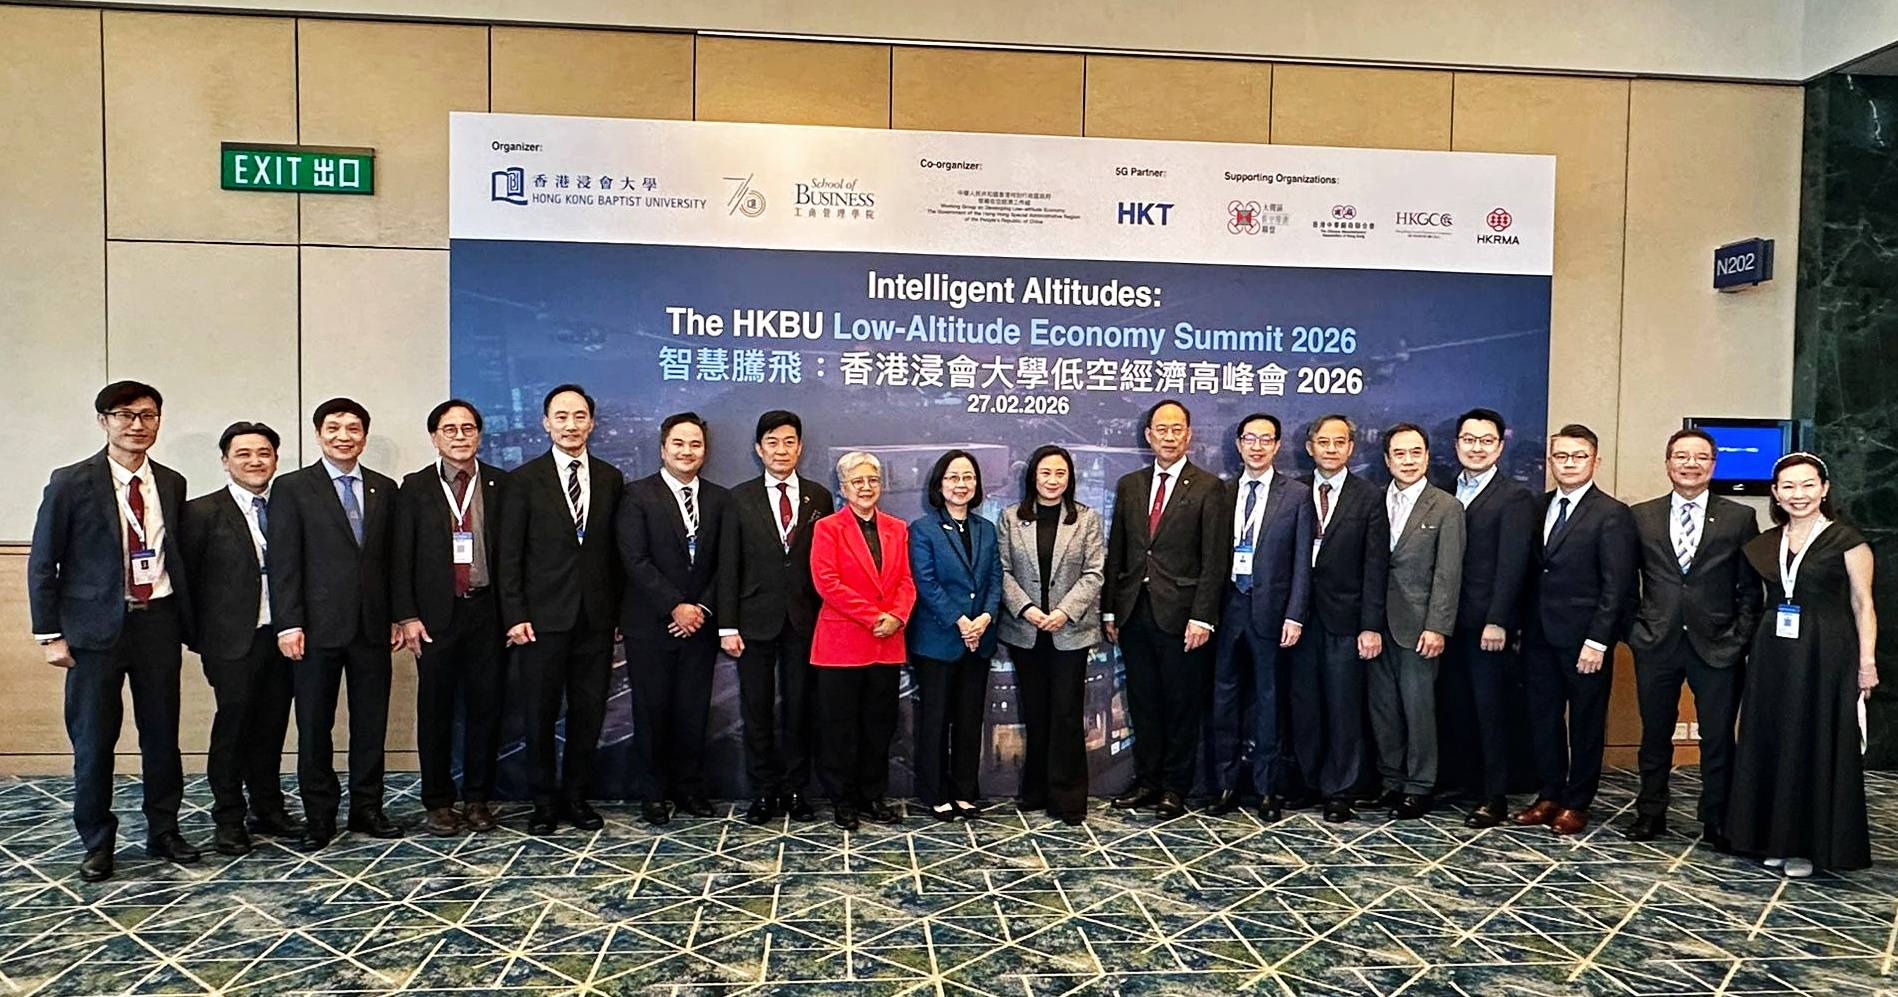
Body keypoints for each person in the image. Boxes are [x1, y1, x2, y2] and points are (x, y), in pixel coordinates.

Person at [28, 381, 198, 882]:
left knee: (162, 736)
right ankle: (97, 841)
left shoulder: (172, 483)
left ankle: (164, 830)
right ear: (103, 421)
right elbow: (43, 562)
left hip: (157, 624)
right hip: (93, 631)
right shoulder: (70, 482)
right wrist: (49, 634)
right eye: (124, 414)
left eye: (147, 415)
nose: (136, 425)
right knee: (94, 741)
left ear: (158, 421)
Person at [1729, 453, 1876, 876]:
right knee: (1773, 739)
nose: (1799, 494)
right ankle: (1772, 838)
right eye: (1788, 486)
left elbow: (1863, 604)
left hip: (1826, 653)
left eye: (1808, 485)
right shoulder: (1765, 543)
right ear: (1775, 493)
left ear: (1824, 489)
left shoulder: (1847, 540)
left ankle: (1808, 847)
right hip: (1773, 654)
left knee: (1813, 741)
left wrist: (1867, 662)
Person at [269, 397, 402, 850]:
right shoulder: (292, 488)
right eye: (334, 428)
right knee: (314, 726)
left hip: (372, 628)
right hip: (314, 630)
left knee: (371, 724)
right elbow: (283, 561)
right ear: (318, 434)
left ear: (364, 435)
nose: (344, 436)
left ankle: (368, 808)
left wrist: (396, 615)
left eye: (353, 428)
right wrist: (288, 623)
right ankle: (320, 816)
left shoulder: (384, 488)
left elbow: (392, 561)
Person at [1625, 428, 1761, 850]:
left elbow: (1749, 588)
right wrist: (1634, 629)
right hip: (1656, 642)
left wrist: (1739, 637)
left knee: (1718, 738)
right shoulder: (1641, 515)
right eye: (1681, 456)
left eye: (1701, 457)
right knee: (1654, 735)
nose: (1690, 464)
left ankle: (1717, 818)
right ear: (1668, 463)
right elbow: (1625, 580)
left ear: (1713, 465)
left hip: (1717, 645)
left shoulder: (1739, 517)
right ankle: (1650, 813)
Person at [498, 384, 624, 835]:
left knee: (589, 713)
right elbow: (509, 555)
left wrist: (616, 615)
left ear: (592, 423)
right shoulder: (523, 480)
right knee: (540, 714)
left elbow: (615, 554)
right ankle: (543, 802)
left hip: (595, 619)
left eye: (579, 416)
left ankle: (576, 797)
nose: (571, 425)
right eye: (561, 417)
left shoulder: (610, 478)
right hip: (540, 620)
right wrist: (515, 614)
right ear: (546, 423)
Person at [181, 421, 301, 857]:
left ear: (276, 459)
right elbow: (186, 580)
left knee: (272, 725)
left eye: (264, 453)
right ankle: (228, 817)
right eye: (244, 454)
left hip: (283, 635)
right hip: (230, 641)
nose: (255, 461)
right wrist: (199, 639)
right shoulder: (201, 512)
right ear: (225, 461)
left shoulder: (289, 506)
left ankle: (267, 807)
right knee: (233, 728)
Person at [1103, 400, 1227, 819]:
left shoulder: (1209, 487)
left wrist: (1203, 616)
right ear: (1149, 436)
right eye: (1161, 430)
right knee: (1142, 702)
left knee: (1181, 705)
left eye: (1177, 430)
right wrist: (1110, 610)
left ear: (1188, 435)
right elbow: (1118, 550)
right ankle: (1147, 781)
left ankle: (1175, 786)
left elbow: (1215, 559)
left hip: (1183, 615)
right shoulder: (1131, 485)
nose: (1169, 437)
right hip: (1134, 612)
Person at [392, 400, 507, 837]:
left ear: (479, 434)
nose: (460, 436)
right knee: (436, 710)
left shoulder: (501, 484)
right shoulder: (415, 487)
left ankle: (478, 798)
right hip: (435, 616)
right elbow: (400, 556)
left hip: (488, 611)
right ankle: (438, 801)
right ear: (434, 437)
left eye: (468, 428)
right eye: (450, 429)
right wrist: (407, 615)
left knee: (486, 708)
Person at [1516, 423, 1637, 836]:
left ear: (1595, 461)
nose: (1569, 464)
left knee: (1585, 722)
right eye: (1561, 456)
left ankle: (1577, 802)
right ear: (1550, 461)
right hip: (1538, 635)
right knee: (1543, 718)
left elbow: (1617, 585)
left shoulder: (1612, 513)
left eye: (1579, 456)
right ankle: (1549, 794)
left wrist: (1598, 640)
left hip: (1585, 639)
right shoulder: (1537, 506)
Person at [718, 410, 834, 825]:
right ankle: (764, 791)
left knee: (800, 709)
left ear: (800, 448)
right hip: (754, 620)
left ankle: (797, 789)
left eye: (788, 442)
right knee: (757, 710)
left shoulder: (819, 497)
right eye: (772, 442)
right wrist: (727, 625)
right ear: (758, 449)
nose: (780, 450)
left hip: (805, 620)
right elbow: (727, 565)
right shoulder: (738, 498)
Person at [619, 412, 728, 826]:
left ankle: (689, 789)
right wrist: (675, 606)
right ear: (663, 448)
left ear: (705, 451)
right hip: (651, 625)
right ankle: (653, 793)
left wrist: (701, 609)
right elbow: (635, 559)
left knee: (693, 711)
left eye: (695, 444)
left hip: (700, 625)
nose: (687, 451)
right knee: (651, 711)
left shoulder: (719, 499)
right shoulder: (636, 495)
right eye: (678, 444)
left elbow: (725, 563)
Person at [1207, 414, 1313, 821]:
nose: (1257, 446)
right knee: (1224, 699)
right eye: (1249, 438)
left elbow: (1302, 562)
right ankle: (1226, 785)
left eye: (1265, 439)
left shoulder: (1297, 495)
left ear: (1277, 445)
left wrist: (1295, 615)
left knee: (1269, 702)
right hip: (1226, 609)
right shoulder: (1222, 491)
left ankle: (1267, 789)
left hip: (1272, 612)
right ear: (1238, 443)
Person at [1436, 408, 1537, 828]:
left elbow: (1513, 564)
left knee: (1490, 708)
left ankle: (1495, 795)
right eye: (1469, 439)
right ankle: (1465, 782)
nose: (1476, 448)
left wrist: (1499, 620)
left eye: (1486, 441)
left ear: (1499, 446)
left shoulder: (1513, 497)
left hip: (1485, 625)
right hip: (1444, 622)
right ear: (1456, 443)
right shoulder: (1442, 490)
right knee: (1454, 704)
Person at [997, 446, 1105, 826]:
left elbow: (1094, 572)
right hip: (1026, 630)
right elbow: (1002, 571)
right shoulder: (1011, 518)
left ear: (1070, 478)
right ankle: (1036, 791)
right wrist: (1027, 608)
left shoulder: (1086, 519)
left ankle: (1069, 798)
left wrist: (1064, 612)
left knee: (1066, 713)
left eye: (1060, 473)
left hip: (1070, 630)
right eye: (1046, 473)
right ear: (1033, 476)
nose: (1053, 480)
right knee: (1036, 711)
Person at [808, 451, 916, 830]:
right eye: (857, 481)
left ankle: (873, 796)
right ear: (843, 488)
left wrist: (897, 616)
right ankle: (843, 799)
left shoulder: (897, 528)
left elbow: (906, 580)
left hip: (887, 643)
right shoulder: (828, 528)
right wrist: (874, 617)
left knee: (879, 726)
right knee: (840, 727)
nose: (866, 487)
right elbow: (827, 583)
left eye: (872, 480)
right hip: (841, 644)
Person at [1291, 414, 1390, 823]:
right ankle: (1308, 782)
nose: (1331, 449)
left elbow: (1375, 566)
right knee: (1304, 705)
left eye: (1339, 442)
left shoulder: (1368, 497)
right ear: (1310, 446)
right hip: (1297, 618)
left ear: (1351, 447)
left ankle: (1340, 789)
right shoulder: (1293, 491)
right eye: (1323, 442)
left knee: (1343, 706)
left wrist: (1370, 625)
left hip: (1346, 620)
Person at [1369, 423, 1463, 819]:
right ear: (1387, 460)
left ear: (1427, 456)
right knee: (1383, 708)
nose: (1408, 461)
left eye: (1415, 453)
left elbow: (1448, 573)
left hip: (1420, 625)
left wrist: (1437, 626)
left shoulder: (1445, 506)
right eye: (1399, 454)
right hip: (1376, 625)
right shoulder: (1374, 501)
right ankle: (1391, 781)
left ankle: (1420, 785)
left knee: (1418, 708)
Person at [908, 450, 1003, 822]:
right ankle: (934, 792)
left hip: (979, 639)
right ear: (939, 484)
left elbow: (995, 579)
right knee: (934, 720)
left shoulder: (986, 528)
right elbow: (926, 582)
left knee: (969, 719)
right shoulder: (923, 529)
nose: (961, 485)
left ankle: (965, 791)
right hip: (938, 640)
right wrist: (961, 622)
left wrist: (985, 618)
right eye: (953, 477)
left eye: (968, 478)